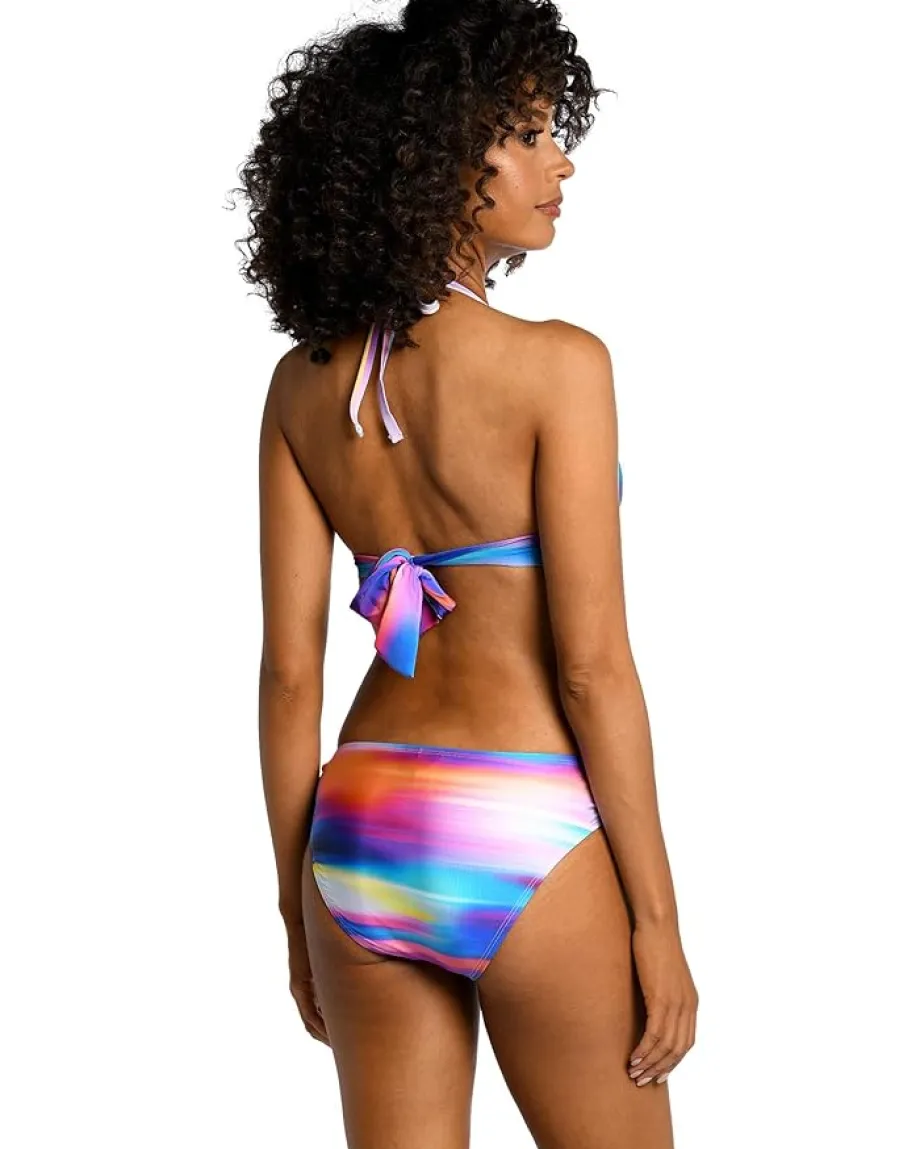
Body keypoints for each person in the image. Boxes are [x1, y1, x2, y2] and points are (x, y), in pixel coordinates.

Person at [236, 0, 698, 1144]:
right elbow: (590, 669)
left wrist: (297, 912)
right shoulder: (558, 367)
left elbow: (289, 680)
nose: (559, 163)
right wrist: (655, 921)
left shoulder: (299, 386)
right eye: (528, 134)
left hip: (359, 832)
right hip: (521, 825)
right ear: (440, 161)